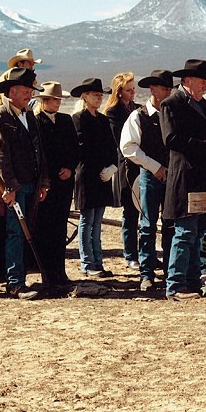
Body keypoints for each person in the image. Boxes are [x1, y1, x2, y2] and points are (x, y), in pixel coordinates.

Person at [160, 59, 206, 301]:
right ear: (188, 81)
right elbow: (172, 140)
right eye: (202, 82)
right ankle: (174, 285)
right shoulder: (171, 104)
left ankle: (191, 281)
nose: (205, 86)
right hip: (185, 178)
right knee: (184, 232)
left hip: (205, 179)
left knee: (199, 231)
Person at [0, 67, 49, 300]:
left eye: (31, 91)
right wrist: (8, 188)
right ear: (13, 91)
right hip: (12, 187)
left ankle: (20, 277)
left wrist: (43, 182)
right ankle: (15, 283)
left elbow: (39, 151)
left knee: (26, 231)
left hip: (31, 184)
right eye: (27, 90)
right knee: (15, 233)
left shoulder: (28, 116)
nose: (30, 95)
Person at [120, 68, 175, 292]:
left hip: (171, 176)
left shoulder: (173, 114)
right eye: (164, 88)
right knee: (148, 225)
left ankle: (171, 271)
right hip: (150, 177)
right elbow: (128, 148)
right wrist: (155, 167)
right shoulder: (139, 116)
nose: (168, 91)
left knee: (171, 224)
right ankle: (146, 273)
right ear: (153, 89)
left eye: (170, 88)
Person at [71, 77, 119, 278]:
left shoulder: (102, 119)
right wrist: (102, 166)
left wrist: (112, 166)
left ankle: (97, 262)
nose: (99, 98)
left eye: (101, 95)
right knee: (87, 220)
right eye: (95, 95)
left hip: (102, 176)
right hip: (87, 175)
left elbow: (111, 145)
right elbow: (82, 148)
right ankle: (87, 263)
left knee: (97, 221)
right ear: (85, 96)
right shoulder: (78, 118)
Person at [32, 81, 79, 288]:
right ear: (44, 101)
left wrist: (69, 167)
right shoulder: (36, 122)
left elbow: (75, 149)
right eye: (54, 99)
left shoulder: (66, 120)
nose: (58, 103)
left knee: (60, 229)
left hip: (64, 184)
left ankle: (60, 271)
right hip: (46, 184)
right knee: (44, 229)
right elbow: (38, 155)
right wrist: (47, 177)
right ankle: (46, 274)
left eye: (59, 99)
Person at [102, 71, 141, 270]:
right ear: (119, 92)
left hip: (139, 165)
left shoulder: (137, 109)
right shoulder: (113, 113)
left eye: (134, 89)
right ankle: (130, 254)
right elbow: (119, 140)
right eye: (128, 90)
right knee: (130, 212)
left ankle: (141, 253)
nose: (132, 93)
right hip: (124, 166)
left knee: (142, 211)